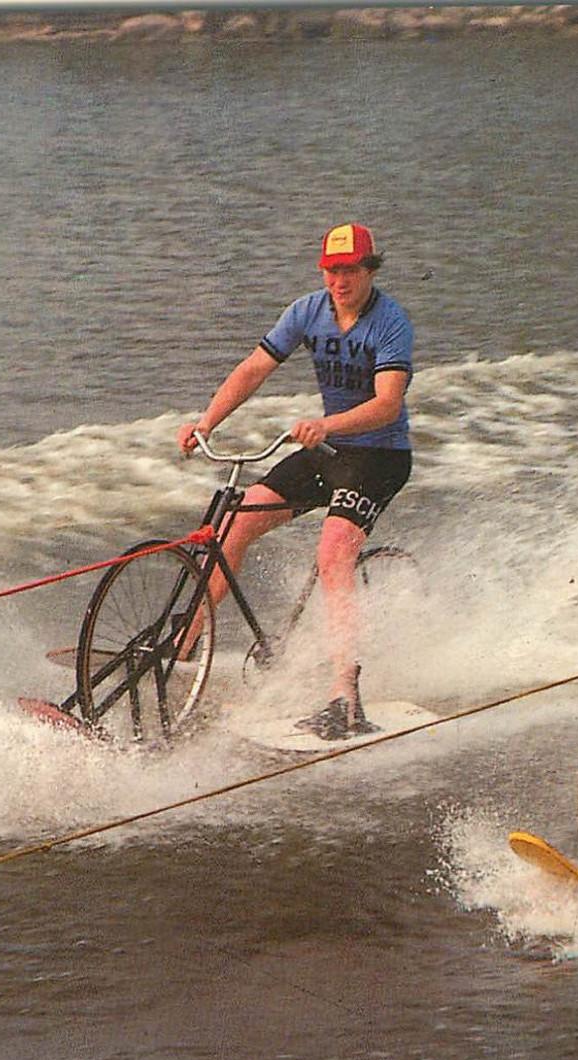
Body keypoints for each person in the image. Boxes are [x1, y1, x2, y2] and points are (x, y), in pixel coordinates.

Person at [177, 223, 415, 740]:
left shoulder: (390, 322)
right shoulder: (307, 311)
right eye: (331, 271)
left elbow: (388, 403)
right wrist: (206, 422)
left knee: (333, 554)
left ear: (370, 269)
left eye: (350, 270)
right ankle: (182, 645)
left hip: (379, 457)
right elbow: (253, 369)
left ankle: (345, 698)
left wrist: (326, 425)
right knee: (234, 525)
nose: (339, 281)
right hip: (325, 451)